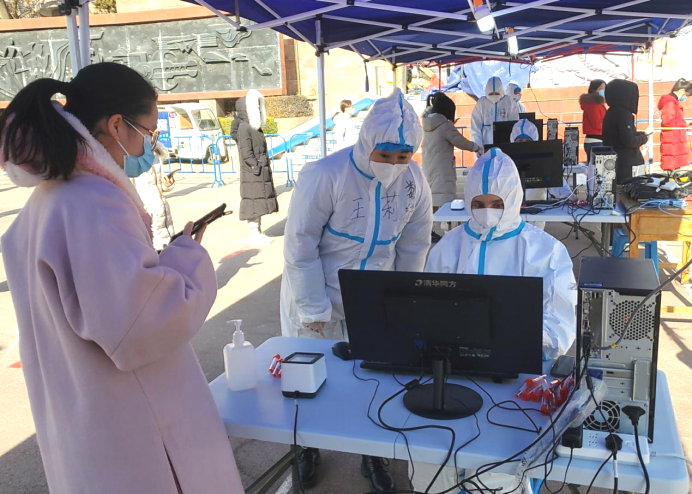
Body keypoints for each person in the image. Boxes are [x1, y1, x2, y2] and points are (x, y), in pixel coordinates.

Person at [0, 63, 243, 493]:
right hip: (137, 433)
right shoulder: (94, 203)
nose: (151, 145)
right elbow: (141, 327)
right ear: (116, 126)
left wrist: (156, 266)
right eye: (148, 133)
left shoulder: (44, 203)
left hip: (82, 422)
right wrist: (188, 259)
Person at [280, 88, 432, 492]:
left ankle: (371, 451)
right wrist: (313, 307)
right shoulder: (325, 176)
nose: (394, 165)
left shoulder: (414, 181)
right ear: (367, 143)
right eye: (386, 155)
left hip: (373, 297)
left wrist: (403, 302)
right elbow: (300, 246)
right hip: (317, 289)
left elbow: (415, 243)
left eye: (403, 157)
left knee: (371, 378)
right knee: (307, 379)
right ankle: (306, 446)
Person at [409, 147, 577, 492]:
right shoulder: (449, 246)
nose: (487, 211)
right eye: (479, 203)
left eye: (497, 203)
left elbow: (560, 322)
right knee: (432, 464)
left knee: (497, 469)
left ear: (513, 200)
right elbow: (427, 311)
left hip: (514, 377)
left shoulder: (544, 251)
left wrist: (518, 344)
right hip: (452, 372)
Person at [421, 92, 481, 221]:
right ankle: (441, 227)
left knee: (432, 199)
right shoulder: (445, 126)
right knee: (443, 200)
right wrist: (476, 147)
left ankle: (431, 227)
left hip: (428, 167)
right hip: (442, 169)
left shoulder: (427, 124)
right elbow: (461, 141)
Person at [232, 88, 278, 246]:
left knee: (258, 203)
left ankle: (257, 232)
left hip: (257, 171)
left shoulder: (254, 127)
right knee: (253, 203)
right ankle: (254, 234)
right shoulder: (245, 127)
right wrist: (256, 166)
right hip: (253, 173)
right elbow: (246, 151)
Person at [602, 79, 652, 183]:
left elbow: (620, 134)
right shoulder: (624, 113)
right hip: (627, 164)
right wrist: (644, 137)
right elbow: (629, 140)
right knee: (633, 189)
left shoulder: (610, 112)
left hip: (615, 161)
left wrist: (640, 134)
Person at [133, 141, 176, 250]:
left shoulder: (155, 152)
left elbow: (157, 184)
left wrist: (167, 184)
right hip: (148, 215)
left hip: (163, 213)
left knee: (169, 249)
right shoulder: (130, 154)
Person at [470, 76, 520, 148]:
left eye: (497, 93)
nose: (494, 96)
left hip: (505, 144)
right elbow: (475, 128)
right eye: (491, 94)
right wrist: (478, 147)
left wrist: (512, 146)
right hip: (486, 145)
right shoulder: (481, 103)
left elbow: (514, 125)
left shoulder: (508, 102)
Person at [658, 78, 692, 171]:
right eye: (686, 95)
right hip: (672, 143)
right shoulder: (670, 103)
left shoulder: (673, 103)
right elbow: (668, 122)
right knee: (672, 171)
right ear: (682, 91)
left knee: (676, 171)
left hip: (675, 142)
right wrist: (684, 123)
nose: (685, 97)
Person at [580, 79, 607, 164]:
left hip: (597, 140)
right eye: (601, 88)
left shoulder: (599, 104)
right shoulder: (592, 105)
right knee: (598, 169)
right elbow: (597, 123)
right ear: (594, 90)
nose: (604, 91)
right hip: (595, 141)